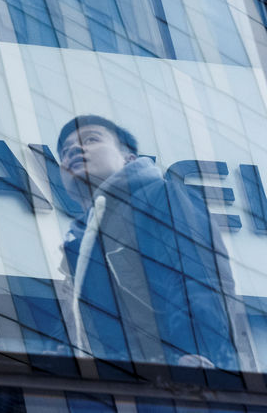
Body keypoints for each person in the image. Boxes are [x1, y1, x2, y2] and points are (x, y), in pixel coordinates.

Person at [57, 115, 242, 372]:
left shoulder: (161, 195)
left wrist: (201, 358)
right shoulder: (78, 243)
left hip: (179, 380)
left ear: (129, 158)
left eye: (91, 139)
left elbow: (198, 280)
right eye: (65, 151)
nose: (74, 150)